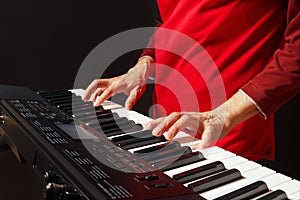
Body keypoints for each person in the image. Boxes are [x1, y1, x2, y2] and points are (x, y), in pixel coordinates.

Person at [83, 0, 300, 162]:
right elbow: (170, 20)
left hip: (229, 141)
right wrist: (144, 64)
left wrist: (224, 117)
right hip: (164, 131)